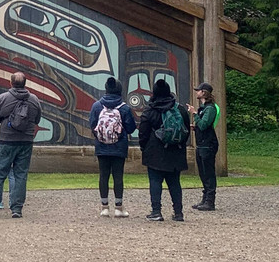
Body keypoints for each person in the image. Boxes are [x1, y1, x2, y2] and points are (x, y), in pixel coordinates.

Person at [0, 72, 42, 218]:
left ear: (11, 83)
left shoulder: (3, 98)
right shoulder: (34, 100)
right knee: (21, 175)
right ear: (25, 83)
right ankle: (17, 209)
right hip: (26, 141)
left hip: (7, 140)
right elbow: (38, 119)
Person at [138, 78, 189, 222]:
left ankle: (156, 211)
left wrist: (144, 148)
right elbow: (185, 131)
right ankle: (178, 212)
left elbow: (143, 132)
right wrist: (179, 144)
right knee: (174, 183)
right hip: (175, 151)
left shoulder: (150, 110)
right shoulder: (179, 109)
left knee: (155, 181)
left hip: (155, 151)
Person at [89, 77, 137, 218]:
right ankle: (118, 207)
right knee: (118, 176)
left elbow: (92, 124)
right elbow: (131, 128)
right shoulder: (124, 108)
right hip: (119, 147)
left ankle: (104, 207)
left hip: (101, 146)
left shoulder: (97, 106)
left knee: (103, 175)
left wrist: (100, 136)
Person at [187, 82, 219, 211]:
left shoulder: (210, 109)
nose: (197, 92)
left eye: (199, 90)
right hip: (201, 144)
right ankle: (205, 198)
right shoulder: (204, 108)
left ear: (204, 92)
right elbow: (201, 126)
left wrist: (194, 114)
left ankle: (210, 201)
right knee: (202, 172)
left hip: (208, 144)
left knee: (208, 172)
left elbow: (204, 124)